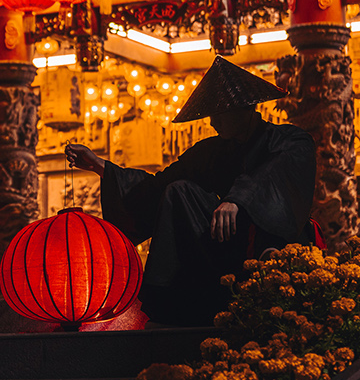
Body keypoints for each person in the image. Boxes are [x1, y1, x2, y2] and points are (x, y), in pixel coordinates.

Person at [64, 56, 317, 325]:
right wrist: (101, 167)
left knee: (269, 237)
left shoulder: (290, 140)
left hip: (271, 246)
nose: (212, 123)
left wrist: (236, 201)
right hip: (222, 252)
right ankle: (168, 300)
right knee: (178, 191)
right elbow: (156, 187)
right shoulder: (210, 152)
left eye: (218, 114)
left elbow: (273, 174)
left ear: (244, 108)